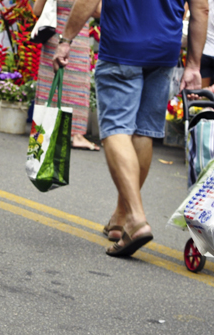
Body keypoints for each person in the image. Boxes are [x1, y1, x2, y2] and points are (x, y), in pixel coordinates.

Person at [53, 0, 208, 257]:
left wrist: (66, 39)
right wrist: (193, 64)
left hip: (122, 46)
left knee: (116, 128)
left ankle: (136, 219)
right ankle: (121, 217)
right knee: (143, 132)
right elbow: (201, 8)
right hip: (164, 50)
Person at [33, 0, 100, 151]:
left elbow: (37, 9)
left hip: (53, 34)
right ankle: (76, 134)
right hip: (77, 34)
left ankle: (45, 128)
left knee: (50, 81)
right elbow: (98, 11)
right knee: (76, 86)